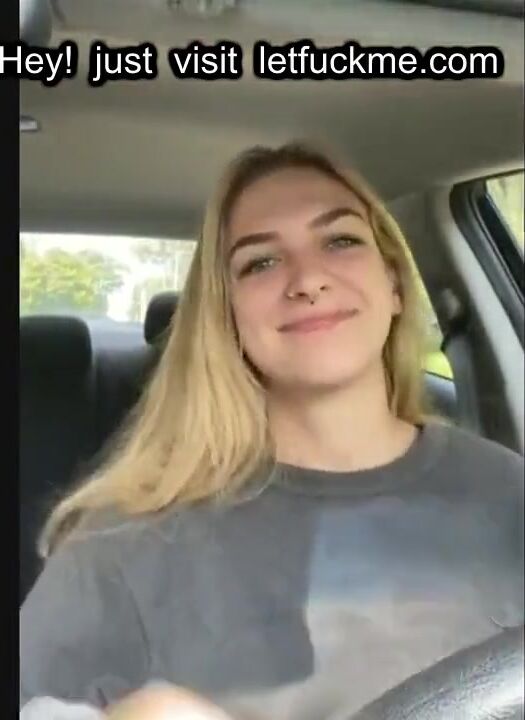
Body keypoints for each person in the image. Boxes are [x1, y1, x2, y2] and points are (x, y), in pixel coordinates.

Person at [20, 142, 524, 720]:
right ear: (227, 316)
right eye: (260, 262)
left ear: (394, 284)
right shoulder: (123, 543)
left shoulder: (508, 488)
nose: (308, 279)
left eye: (340, 240)